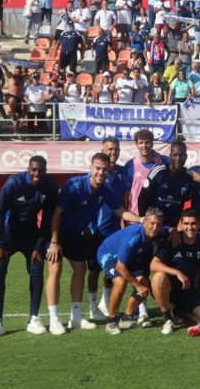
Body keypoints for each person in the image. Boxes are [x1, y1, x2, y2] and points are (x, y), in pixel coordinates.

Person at [46, 153, 134, 335]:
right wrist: (54, 242)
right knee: (55, 270)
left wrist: (142, 219)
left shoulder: (105, 191)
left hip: (75, 234)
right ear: (91, 167)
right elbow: (56, 214)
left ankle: (75, 317)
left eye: (105, 169)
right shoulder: (74, 185)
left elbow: (121, 212)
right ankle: (54, 319)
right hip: (56, 233)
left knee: (80, 269)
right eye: (98, 168)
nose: (101, 172)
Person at [0, 156, 58, 338]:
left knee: (36, 269)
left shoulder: (49, 186)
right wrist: (0, 245)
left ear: (45, 170)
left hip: (31, 235)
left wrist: (39, 246)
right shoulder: (13, 183)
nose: (37, 174)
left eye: (41, 170)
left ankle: (33, 318)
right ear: (28, 169)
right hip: (7, 234)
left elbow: (47, 219)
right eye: (34, 170)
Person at [97, 208, 171, 334]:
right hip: (110, 255)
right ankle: (111, 321)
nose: (155, 227)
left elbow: (169, 229)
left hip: (130, 257)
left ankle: (126, 317)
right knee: (120, 282)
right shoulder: (134, 236)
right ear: (144, 222)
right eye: (152, 223)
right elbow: (120, 266)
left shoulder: (160, 231)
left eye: (158, 224)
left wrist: (172, 231)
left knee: (145, 283)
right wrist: (137, 286)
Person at [152, 209, 200, 336]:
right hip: (168, 290)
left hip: (188, 290)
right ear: (181, 224)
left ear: (199, 224)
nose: (190, 227)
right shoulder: (173, 239)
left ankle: (182, 312)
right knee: (158, 277)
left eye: (193, 223)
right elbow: (154, 264)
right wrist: (177, 273)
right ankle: (167, 316)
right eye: (186, 224)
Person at [86, 137, 126, 320]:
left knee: (112, 269)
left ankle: (105, 301)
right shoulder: (95, 175)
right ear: (103, 150)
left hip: (115, 232)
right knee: (93, 270)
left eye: (116, 149)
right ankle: (92, 306)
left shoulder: (122, 173)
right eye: (110, 149)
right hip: (96, 231)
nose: (113, 152)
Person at [137, 141, 194, 229]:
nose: (178, 159)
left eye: (181, 155)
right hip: (153, 225)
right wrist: (144, 221)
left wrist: (175, 226)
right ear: (170, 155)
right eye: (175, 155)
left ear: (186, 157)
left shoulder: (188, 177)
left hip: (171, 227)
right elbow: (142, 198)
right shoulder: (159, 171)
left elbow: (182, 202)